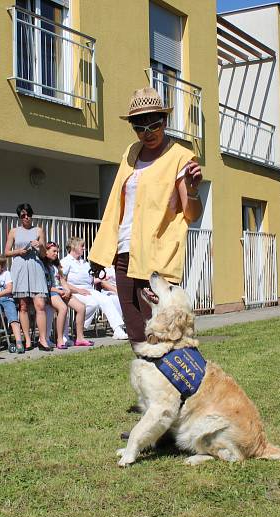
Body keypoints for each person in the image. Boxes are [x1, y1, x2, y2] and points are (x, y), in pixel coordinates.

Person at [87, 87, 203, 349]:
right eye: (139, 126)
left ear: (165, 121)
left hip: (155, 258)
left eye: (154, 124)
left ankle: (171, 385)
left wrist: (193, 190)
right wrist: (103, 251)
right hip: (124, 252)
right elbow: (117, 205)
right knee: (136, 332)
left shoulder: (181, 157)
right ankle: (149, 383)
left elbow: (191, 215)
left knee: (160, 331)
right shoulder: (131, 153)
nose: (147, 133)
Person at [4, 204, 52, 352]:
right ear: (19, 217)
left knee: (40, 304)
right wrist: (18, 251)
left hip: (35, 267)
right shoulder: (13, 231)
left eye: (28, 215)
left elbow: (44, 254)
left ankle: (43, 340)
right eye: (23, 216)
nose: (26, 218)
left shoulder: (38, 230)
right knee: (23, 305)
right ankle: (28, 340)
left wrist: (40, 246)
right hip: (20, 268)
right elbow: (6, 252)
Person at [61, 236, 127, 340]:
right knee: (92, 304)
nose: (84, 248)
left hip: (88, 290)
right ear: (73, 247)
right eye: (82, 246)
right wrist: (78, 290)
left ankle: (118, 330)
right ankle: (79, 326)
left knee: (106, 300)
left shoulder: (85, 263)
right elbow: (62, 281)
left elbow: (91, 279)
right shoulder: (65, 262)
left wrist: (100, 279)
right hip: (75, 291)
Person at [41, 241, 92, 349]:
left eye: (57, 252)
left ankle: (80, 338)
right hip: (51, 292)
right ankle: (60, 339)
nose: (56, 254)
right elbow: (45, 285)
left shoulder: (57, 265)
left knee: (81, 307)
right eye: (54, 251)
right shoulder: (43, 266)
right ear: (46, 252)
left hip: (61, 290)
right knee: (63, 308)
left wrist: (67, 290)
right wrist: (59, 291)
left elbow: (62, 280)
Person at [0, 253, 24, 354]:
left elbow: (9, 289)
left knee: (13, 319)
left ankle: (19, 342)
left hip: (6, 299)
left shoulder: (6, 274)